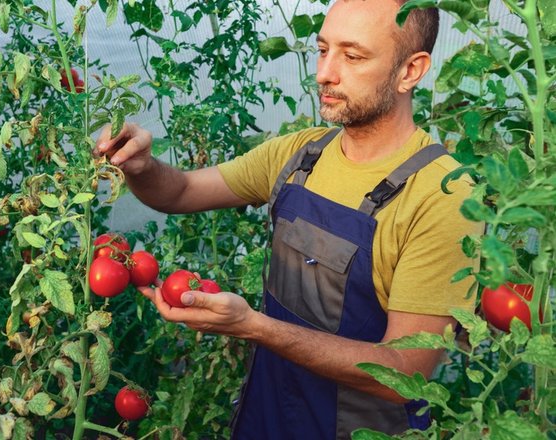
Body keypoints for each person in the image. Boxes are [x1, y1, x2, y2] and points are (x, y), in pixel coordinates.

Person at [94, 0, 482, 438]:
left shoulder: (444, 194)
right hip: (270, 411)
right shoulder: (301, 156)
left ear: (411, 70)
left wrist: (253, 328)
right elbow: (179, 191)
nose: (324, 74)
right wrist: (143, 166)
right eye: (322, 50)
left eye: (352, 56)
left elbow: (404, 373)